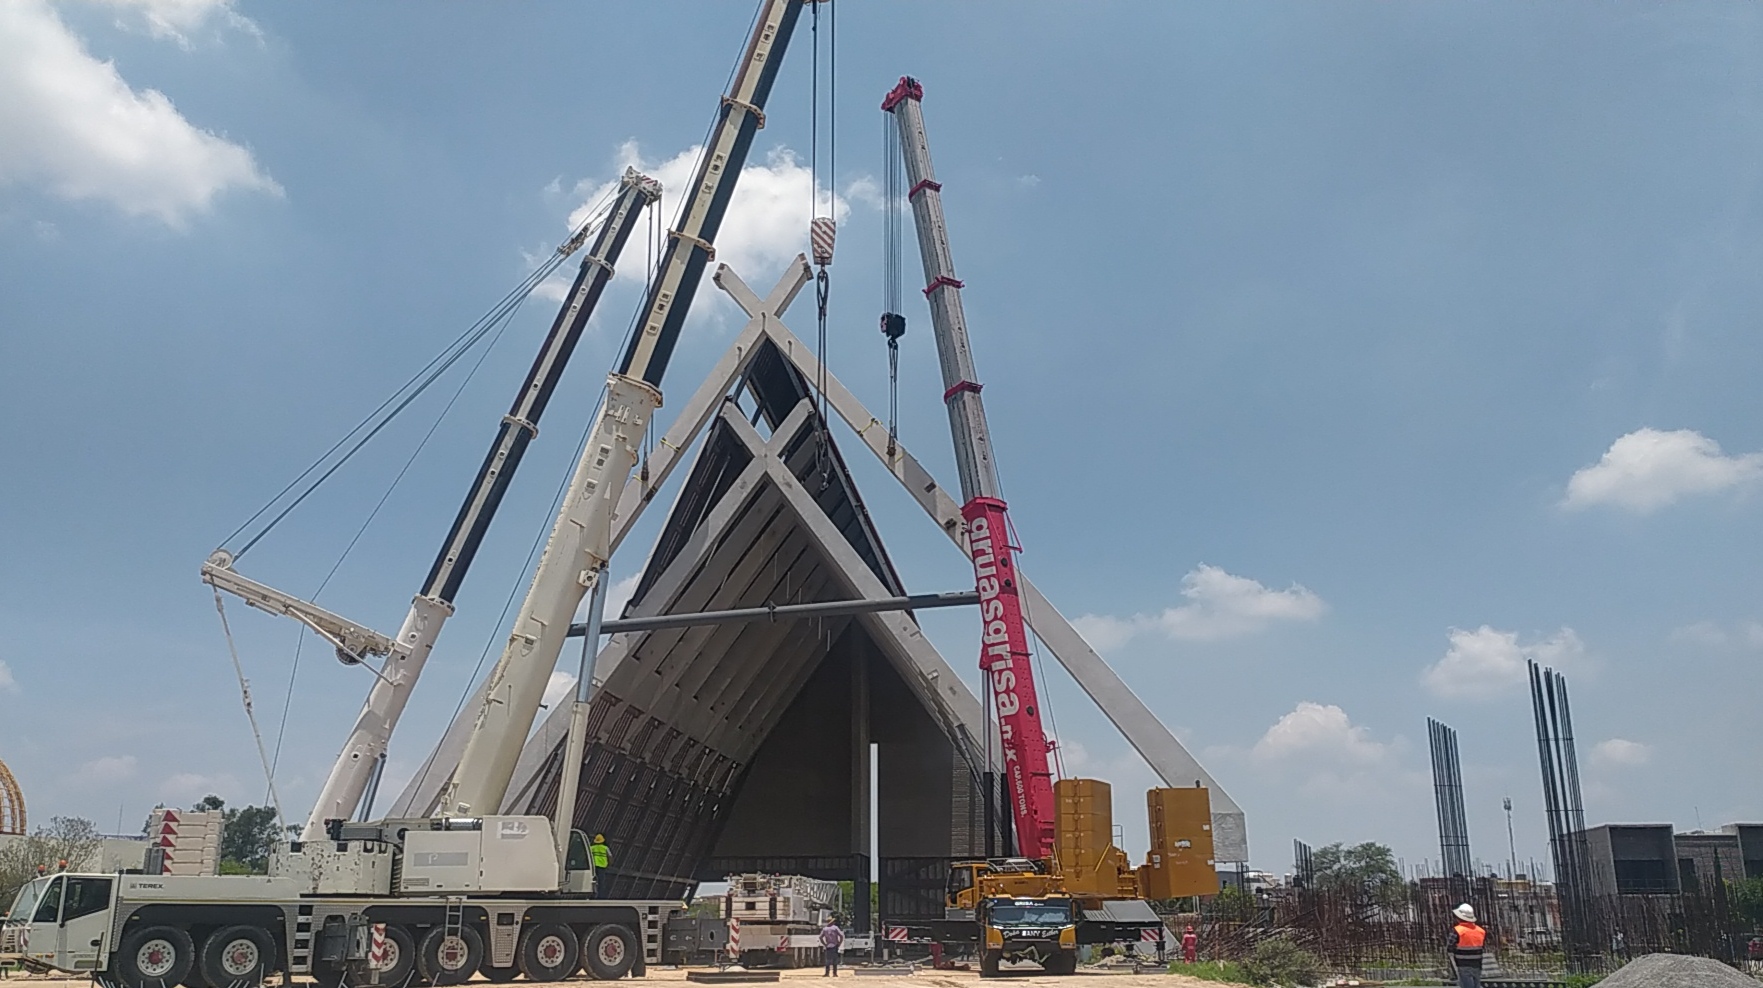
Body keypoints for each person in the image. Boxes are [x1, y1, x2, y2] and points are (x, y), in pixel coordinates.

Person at [1447, 903, 1486, 988]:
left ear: (1459, 918)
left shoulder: (1457, 931)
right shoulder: (1481, 931)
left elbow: (1449, 947)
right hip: (1477, 964)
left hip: (1462, 964)